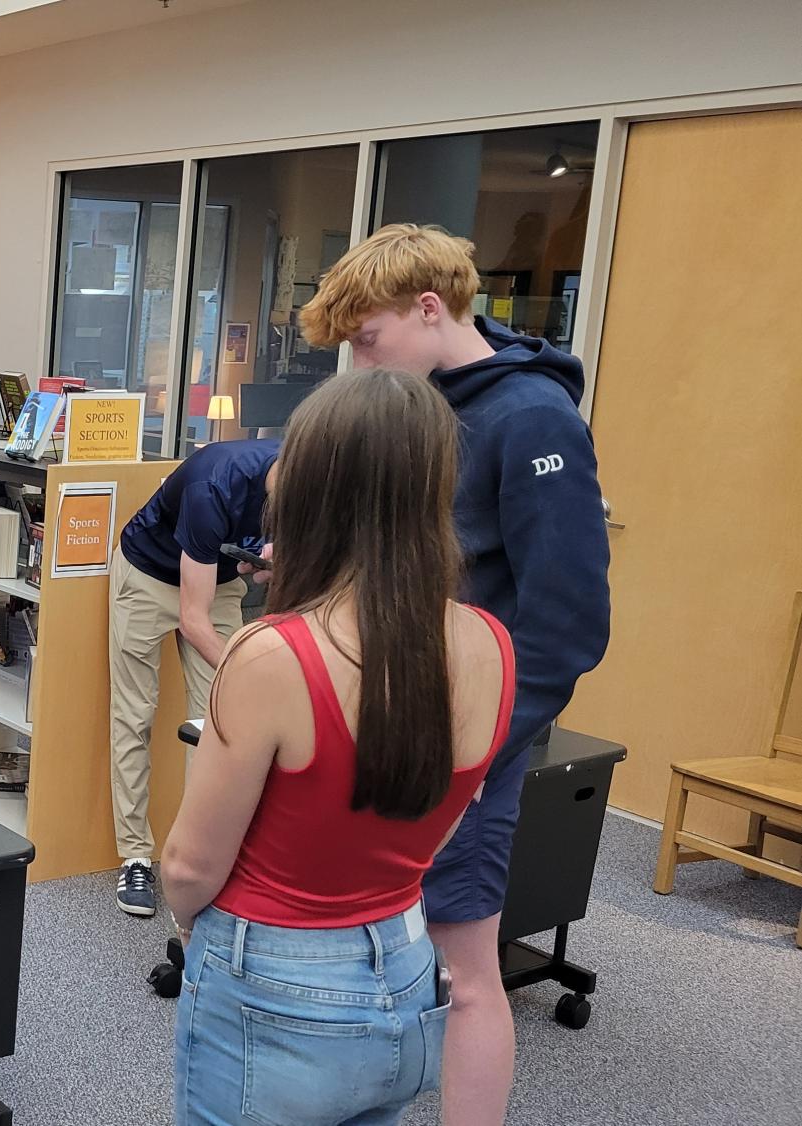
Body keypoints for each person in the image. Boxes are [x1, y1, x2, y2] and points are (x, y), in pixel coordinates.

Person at [297, 223, 611, 1125]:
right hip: (385, 712)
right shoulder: (424, 407)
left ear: (428, 308)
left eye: (367, 340)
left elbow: (567, 627)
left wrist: (474, 757)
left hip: (467, 734)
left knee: (462, 970)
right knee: (367, 943)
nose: (357, 365)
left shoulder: (532, 419)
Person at [162, 368, 514, 1125]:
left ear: (312, 487)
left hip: (273, 977)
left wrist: (196, 928)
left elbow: (191, 865)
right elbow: (447, 816)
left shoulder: (269, 654)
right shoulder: (489, 644)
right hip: (406, 965)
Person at [106, 437, 278, 916]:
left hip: (219, 579)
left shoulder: (307, 473)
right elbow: (193, 621)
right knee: (134, 714)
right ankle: (135, 856)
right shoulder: (214, 487)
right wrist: (256, 675)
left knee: (218, 724)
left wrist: (263, 560)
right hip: (147, 573)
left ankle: (200, 854)